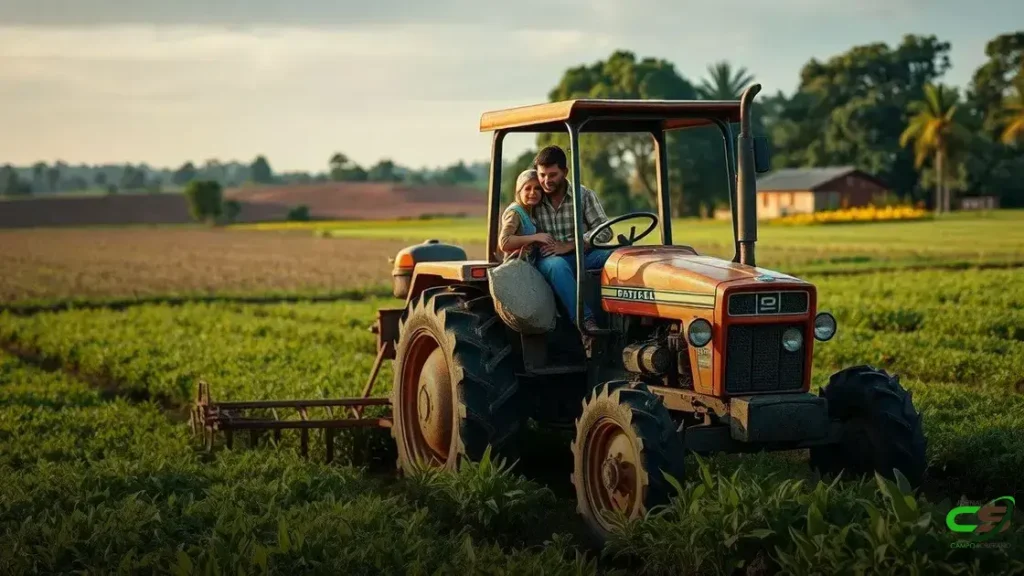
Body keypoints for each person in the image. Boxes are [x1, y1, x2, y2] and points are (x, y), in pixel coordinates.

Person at [530, 145, 614, 333]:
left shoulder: (583, 195)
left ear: (565, 172)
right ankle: (586, 324)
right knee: (557, 265)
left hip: (584, 255)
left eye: (552, 175)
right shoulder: (534, 199)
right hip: (549, 259)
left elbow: (605, 231)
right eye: (542, 175)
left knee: (618, 257)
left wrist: (571, 245)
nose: (546, 181)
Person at [497, 169, 555, 263]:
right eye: (528, 188)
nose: (532, 192)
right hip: (517, 267)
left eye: (537, 188)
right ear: (519, 191)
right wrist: (535, 237)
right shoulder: (515, 212)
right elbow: (504, 242)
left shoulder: (531, 211)